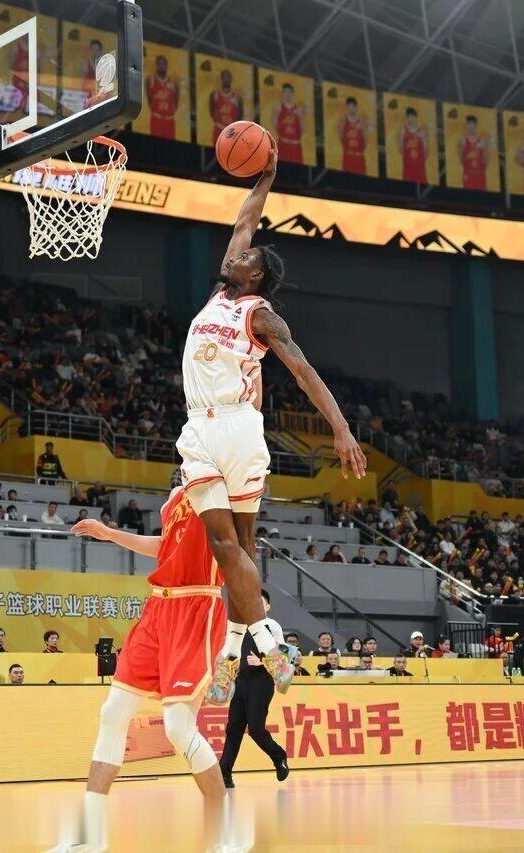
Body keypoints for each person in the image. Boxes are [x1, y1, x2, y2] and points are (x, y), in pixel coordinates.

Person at [187, 148, 367, 707]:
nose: (234, 257)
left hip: (239, 429)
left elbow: (304, 371)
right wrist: (265, 176)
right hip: (198, 430)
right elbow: (246, 220)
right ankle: (262, 643)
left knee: (238, 547)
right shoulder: (220, 293)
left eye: (245, 259)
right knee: (227, 549)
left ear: (257, 275)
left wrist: (341, 428)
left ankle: (234, 650)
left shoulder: (260, 315)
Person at [68, 476, 234, 850]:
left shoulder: (224, 485)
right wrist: (110, 534)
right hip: (159, 605)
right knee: (113, 713)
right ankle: (89, 835)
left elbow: (236, 548)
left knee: (178, 727)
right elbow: (165, 547)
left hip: (197, 604)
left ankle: (225, 832)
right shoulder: (174, 497)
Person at [219, 589, 291, 789]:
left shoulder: (271, 625)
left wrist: (262, 662)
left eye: (261, 603)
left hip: (262, 681)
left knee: (256, 729)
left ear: (267, 606)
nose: (255, 606)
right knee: (233, 728)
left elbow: (286, 653)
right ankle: (224, 773)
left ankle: (279, 756)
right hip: (240, 681)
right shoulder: (238, 627)